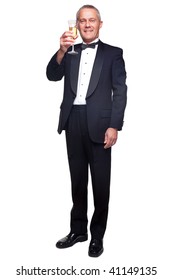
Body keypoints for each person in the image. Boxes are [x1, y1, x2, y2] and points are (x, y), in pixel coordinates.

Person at [46, 4, 127, 257]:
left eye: (92, 20)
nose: (87, 24)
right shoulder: (69, 51)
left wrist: (114, 125)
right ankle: (78, 230)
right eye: (83, 21)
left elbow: (120, 92)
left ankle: (97, 236)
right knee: (78, 181)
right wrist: (60, 51)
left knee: (101, 184)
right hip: (73, 121)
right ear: (77, 25)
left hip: (101, 125)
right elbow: (52, 75)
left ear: (100, 24)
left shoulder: (114, 53)